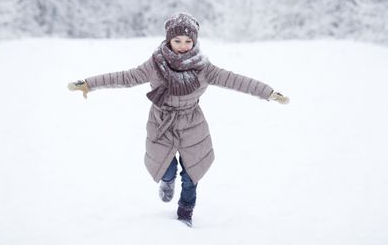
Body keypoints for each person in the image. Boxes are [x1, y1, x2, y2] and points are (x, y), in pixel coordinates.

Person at [68, 13, 289, 227]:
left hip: (192, 123)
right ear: (168, 40)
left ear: (194, 41)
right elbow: (126, 77)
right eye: (177, 40)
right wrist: (89, 83)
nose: (183, 45)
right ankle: (167, 180)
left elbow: (236, 80)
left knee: (191, 174)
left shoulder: (204, 68)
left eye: (188, 40)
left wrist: (268, 92)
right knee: (166, 166)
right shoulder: (156, 64)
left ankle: (185, 213)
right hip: (161, 122)